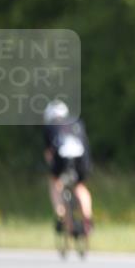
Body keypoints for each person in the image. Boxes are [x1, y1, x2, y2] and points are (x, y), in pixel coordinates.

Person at [42, 99, 94, 235]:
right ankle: (88, 219)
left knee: (55, 184)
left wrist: (52, 169)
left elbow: (49, 153)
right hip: (81, 158)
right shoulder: (77, 122)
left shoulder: (51, 126)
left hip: (62, 157)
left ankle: (61, 215)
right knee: (80, 186)